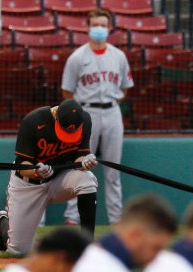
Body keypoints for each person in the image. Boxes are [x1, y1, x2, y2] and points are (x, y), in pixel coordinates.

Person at [0, 99, 98, 255]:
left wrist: (85, 161)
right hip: (29, 184)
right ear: (55, 115)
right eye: (65, 131)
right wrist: (36, 171)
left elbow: (79, 156)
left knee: (87, 179)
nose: (68, 135)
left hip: (60, 179)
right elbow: (23, 166)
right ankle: (3, 222)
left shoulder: (84, 121)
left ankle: (87, 245)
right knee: (18, 251)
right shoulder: (33, 121)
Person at [61, 8, 133, 227]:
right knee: (79, 166)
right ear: (88, 27)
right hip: (86, 113)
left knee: (113, 170)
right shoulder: (77, 57)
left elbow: (126, 88)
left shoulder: (118, 56)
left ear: (110, 28)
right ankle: (72, 218)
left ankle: (116, 220)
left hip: (112, 111)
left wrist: (112, 103)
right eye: (95, 25)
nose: (99, 29)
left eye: (103, 25)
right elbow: (67, 91)